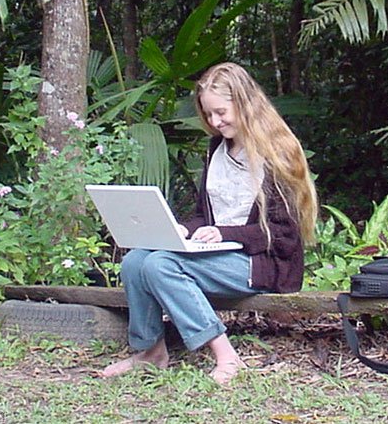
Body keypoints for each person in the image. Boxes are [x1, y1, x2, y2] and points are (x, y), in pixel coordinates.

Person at [100, 62, 318, 384]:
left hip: (261, 263)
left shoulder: (277, 153)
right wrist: (183, 230)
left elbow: (284, 237)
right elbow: (208, 215)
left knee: (161, 265)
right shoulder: (217, 146)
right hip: (219, 254)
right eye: (209, 115)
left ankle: (226, 354)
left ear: (244, 102)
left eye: (221, 112)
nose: (215, 122)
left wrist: (224, 233)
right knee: (135, 261)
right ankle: (150, 351)